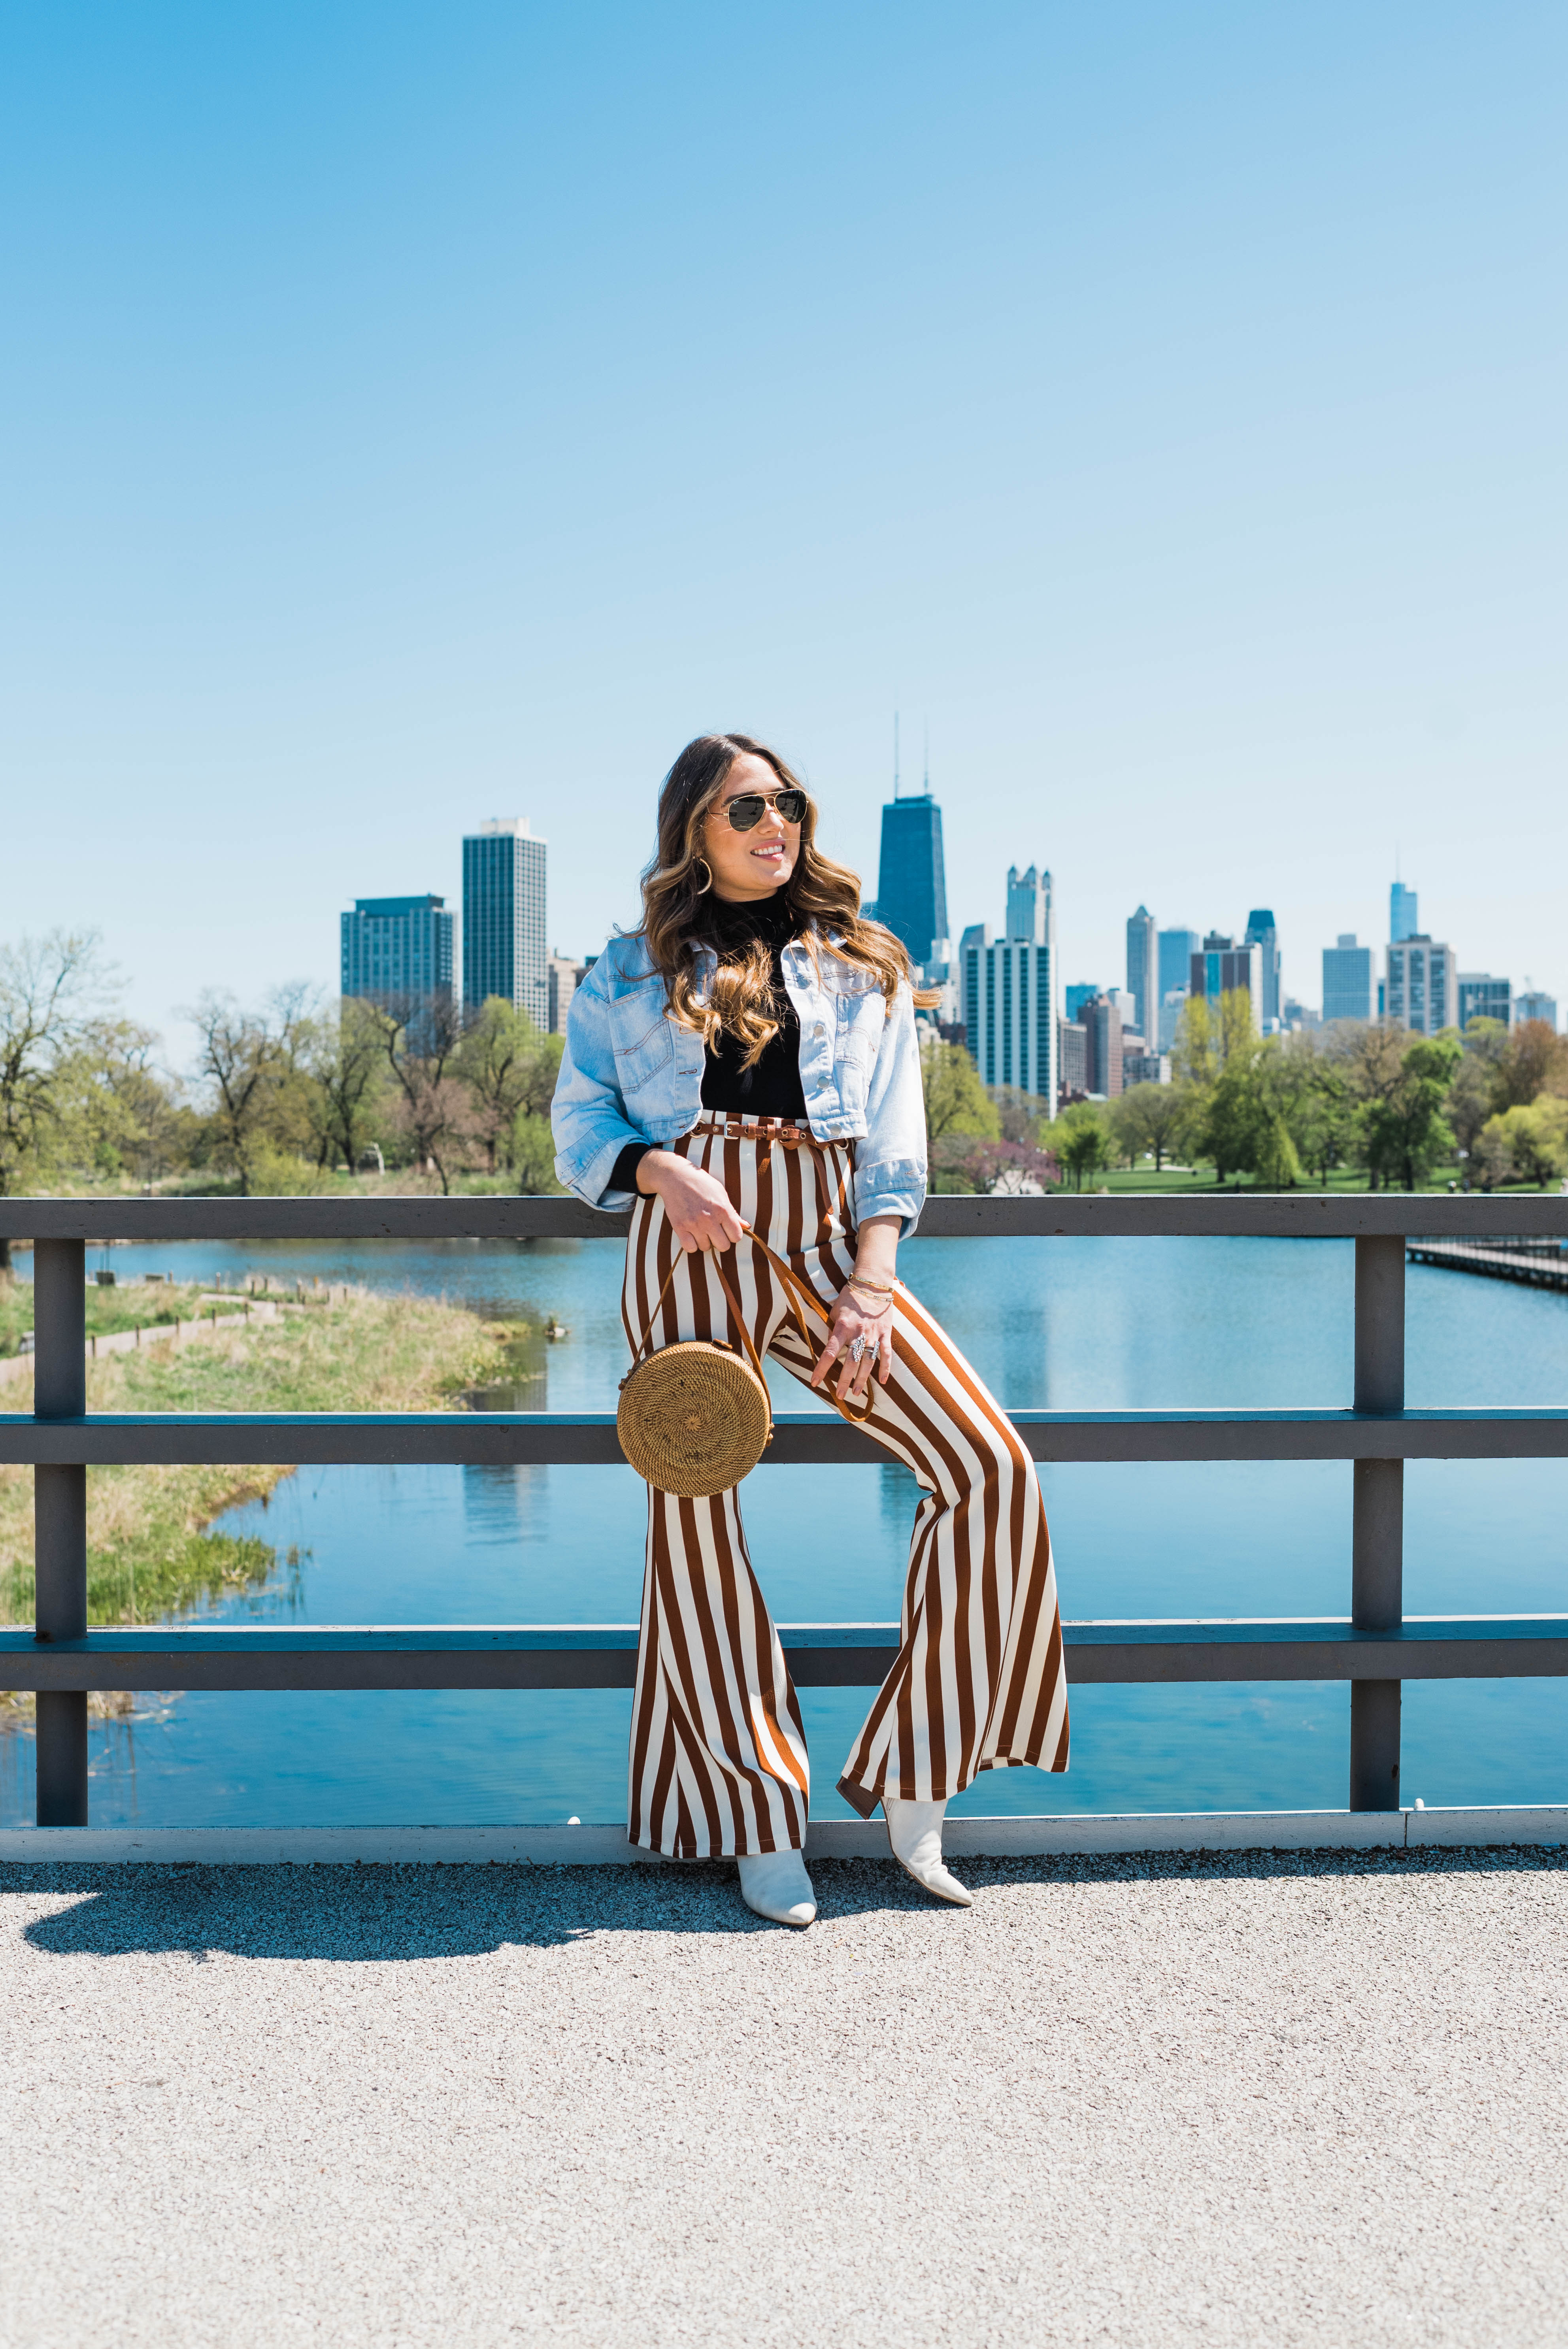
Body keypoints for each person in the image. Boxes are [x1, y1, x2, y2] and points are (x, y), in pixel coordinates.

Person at [552, 734, 1068, 1927]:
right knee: (695, 1521)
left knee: (988, 1467)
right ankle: (757, 1816)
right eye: (747, 807)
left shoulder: (862, 961)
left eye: (787, 803)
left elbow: (896, 1142)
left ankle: (919, 1778)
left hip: (834, 1241)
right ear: (696, 826)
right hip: (688, 1238)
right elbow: (578, 1126)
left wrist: (874, 1281)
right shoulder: (627, 971)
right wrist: (660, 1173)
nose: (774, 822)